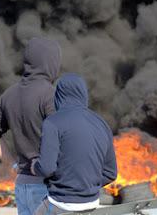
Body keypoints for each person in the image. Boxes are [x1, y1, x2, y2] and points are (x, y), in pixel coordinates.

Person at [0, 37, 61, 215]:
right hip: (47, 188)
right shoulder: (51, 95)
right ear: (51, 62)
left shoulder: (9, 94)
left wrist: (12, 166)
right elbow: (63, 137)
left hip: (22, 186)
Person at [32, 73, 117, 215]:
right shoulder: (102, 123)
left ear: (58, 95)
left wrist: (35, 166)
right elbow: (110, 173)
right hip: (91, 203)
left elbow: (46, 169)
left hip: (60, 203)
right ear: (83, 94)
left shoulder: (52, 123)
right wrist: (86, 186)